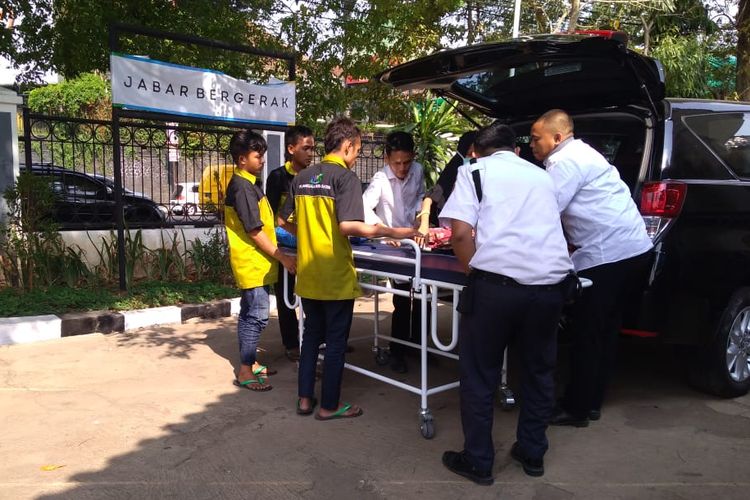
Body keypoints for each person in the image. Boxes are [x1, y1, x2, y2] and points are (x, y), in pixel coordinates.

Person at [440, 122, 574, 484]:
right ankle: (532, 453)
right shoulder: (542, 176)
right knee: (538, 371)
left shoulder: (473, 172)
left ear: (476, 152)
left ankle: (479, 461)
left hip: (496, 289)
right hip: (550, 288)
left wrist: (473, 271)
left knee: (480, 374)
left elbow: (461, 233)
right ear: (514, 151)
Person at [278, 117, 418, 419]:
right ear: (348, 146)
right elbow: (350, 226)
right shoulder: (344, 178)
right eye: (356, 151)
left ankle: (305, 399)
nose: (356, 157)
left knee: (312, 338)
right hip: (335, 275)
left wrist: (306, 234)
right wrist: (396, 232)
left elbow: (281, 220)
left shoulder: (303, 177)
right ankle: (329, 405)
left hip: (309, 273)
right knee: (337, 341)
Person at [530, 109, 653, 427]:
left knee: (587, 333)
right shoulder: (585, 153)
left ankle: (576, 409)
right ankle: (593, 401)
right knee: (605, 332)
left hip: (608, 256)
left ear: (557, 138)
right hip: (636, 251)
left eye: (535, 138)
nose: (530, 144)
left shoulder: (563, 161)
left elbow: (544, 213)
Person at [224, 129, 297, 392]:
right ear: (242, 159)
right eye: (258, 156)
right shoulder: (243, 188)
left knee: (250, 314)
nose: (263, 160)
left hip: (259, 262)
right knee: (256, 315)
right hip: (252, 262)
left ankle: (251, 362)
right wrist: (284, 258)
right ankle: (245, 370)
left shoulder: (249, 182)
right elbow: (255, 232)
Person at [362, 130, 425, 373]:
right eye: (397, 163)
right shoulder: (380, 179)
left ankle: (417, 347)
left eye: (406, 162)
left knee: (422, 299)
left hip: (415, 242)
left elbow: (420, 196)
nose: (402, 168)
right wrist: (385, 231)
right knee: (401, 298)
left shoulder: (417, 171)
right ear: (387, 158)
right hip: (394, 247)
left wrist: (421, 216)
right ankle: (397, 351)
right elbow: (364, 208)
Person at [265, 125, 315, 362]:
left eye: (312, 149)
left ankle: (315, 340)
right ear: (291, 148)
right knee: (286, 297)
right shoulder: (277, 177)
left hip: (310, 247)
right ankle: (291, 344)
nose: (310, 153)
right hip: (285, 246)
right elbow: (272, 216)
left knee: (313, 297)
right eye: (306, 148)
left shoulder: (315, 175)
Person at [415, 130, 478, 244]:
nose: (473, 157)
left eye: (476, 153)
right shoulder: (452, 173)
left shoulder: (482, 178)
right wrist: (424, 224)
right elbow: (430, 197)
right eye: (469, 153)